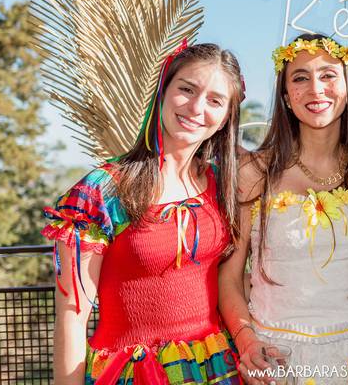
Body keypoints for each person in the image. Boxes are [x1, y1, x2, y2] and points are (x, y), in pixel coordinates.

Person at [43, 43, 244, 384]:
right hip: (134, 373)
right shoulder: (103, 191)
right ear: (162, 92)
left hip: (216, 368)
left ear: (226, 116)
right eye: (187, 89)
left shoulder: (222, 184)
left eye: (215, 100)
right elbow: (72, 317)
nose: (197, 107)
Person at [219, 34, 348, 385]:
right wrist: (247, 343)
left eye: (328, 75)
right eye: (300, 78)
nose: (315, 89)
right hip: (280, 357)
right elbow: (229, 278)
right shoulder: (255, 172)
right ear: (286, 96)